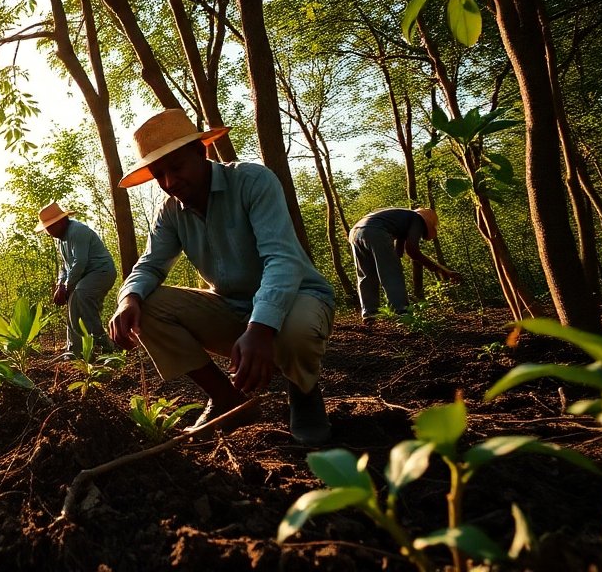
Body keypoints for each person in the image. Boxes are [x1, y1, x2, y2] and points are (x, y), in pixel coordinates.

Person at [108, 109, 336, 445]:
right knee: (148, 302)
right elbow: (150, 265)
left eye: (176, 167)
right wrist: (128, 299)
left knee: (296, 330)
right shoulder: (170, 212)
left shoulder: (253, 181)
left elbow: (282, 260)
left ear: (202, 153)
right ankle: (227, 398)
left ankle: (303, 393)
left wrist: (260, 328)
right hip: (231, 309)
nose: (169, 182)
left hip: (297, 302)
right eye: (159, 174)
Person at [349, 207, 461, 325]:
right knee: (392, 273)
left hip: (356, 232)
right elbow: (412, 250)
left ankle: (370, 314)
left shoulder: (401, 219)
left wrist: (443, 270)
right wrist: (438, 269)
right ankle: (402, 312)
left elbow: (399, 250)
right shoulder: (417, 219)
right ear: (426, 223)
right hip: (376, 232)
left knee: (367, 275)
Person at [37, 202, 118, 358]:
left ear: (61, 221)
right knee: (74, 302)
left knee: (79, 295)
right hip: (83, 276)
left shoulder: (78, 231)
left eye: (50, 227)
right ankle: (76, 349)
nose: (48, 232)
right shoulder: (61, 240)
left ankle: (103, 343)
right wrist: (61, 285)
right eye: (46, 228)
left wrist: (67, 287)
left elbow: (80, 262)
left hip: (101, 272)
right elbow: (64, 267)